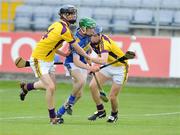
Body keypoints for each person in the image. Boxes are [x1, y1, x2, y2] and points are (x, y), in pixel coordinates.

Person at [18, 5, 97, 124]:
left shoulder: (55, 25)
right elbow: (77, 47)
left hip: (49, 60)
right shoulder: (65, 30)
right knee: (50, 87)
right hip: (39, 59)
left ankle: (26, 87)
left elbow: (51, 45)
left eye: (74, 13)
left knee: (50, 86)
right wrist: (87, 57)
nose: (73, 15)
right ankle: (53, 118)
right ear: (64, 15)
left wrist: (64, 54)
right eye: (70, 14)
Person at [56, 17, 100, 120]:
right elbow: (76, 61)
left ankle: (59, 114)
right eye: (91, 28)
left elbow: (87, 47)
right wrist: (91, 68)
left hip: (82, 63)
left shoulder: (88, 35)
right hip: (72, 63)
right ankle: (70, 102)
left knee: (79, 95)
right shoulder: (76, 40)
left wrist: (88, 57)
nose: (93, 31)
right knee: (80, 81)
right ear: (84, 28)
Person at [88, 26, 129, 123]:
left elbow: (103, 60)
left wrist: (90, 59)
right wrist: (90, 65)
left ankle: (114, 114)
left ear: (98, 35)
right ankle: (100, 110)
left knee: (112, 96)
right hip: (108, 66)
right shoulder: (91, 41)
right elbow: (88, 51)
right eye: (90, 35)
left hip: (120, 68)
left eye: (93, 36)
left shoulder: (104, 43)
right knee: (93, 86)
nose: (91, 38)